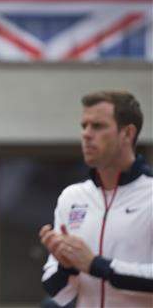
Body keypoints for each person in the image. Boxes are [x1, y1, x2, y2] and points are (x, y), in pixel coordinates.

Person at [39, 91, 153, 307]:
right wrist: (67, 266)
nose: (86, 134)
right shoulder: (72, 196)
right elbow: (54, 290)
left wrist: (95, 265)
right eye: (84, 126)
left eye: (98, 126)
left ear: (127, 133)